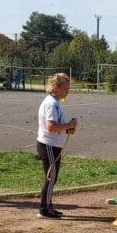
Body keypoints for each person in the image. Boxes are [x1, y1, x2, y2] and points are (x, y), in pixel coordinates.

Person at [36, 72, 77, 219]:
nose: (68, 92)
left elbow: (56, 126)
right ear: (56, 88)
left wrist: (67, 129)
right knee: (51, 177)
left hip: (53, 145)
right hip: (48, 145)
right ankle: (44, 209)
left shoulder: (55, 103)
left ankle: (48, 206)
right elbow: (51, 127)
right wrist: (69, 125)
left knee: (52, 177)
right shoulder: (51, 104)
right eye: (66, 89)